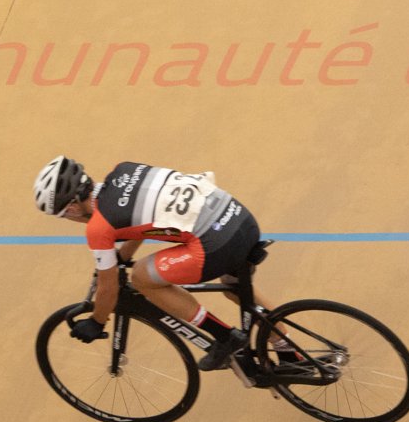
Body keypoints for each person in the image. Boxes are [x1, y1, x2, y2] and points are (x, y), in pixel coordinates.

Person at [33, 156, 270, 370]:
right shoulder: (124, 170)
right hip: (240, 220)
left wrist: (97, 321)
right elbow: (144, 219)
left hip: (215, 243)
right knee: (237, 291)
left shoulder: (98, 227)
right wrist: (122, 255)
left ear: (73, 208)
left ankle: (224, 336)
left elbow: (108, 287)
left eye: (63, 215)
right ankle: (288, 352)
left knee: (141, 277)